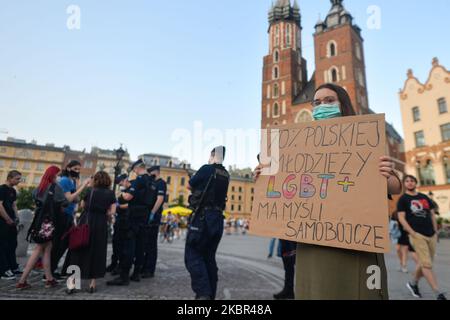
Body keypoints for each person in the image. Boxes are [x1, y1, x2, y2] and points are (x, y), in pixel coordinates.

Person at [254, 83, 402, 300]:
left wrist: (385, 174)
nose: (322, 106)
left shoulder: (362, 138)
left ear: (343, 104)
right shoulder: (299, 145)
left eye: (330, 101)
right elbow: (282, 184)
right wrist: (263, 177)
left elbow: (395, 186)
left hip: (353, 243)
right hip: (311, 242)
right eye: (317, 103)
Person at [185, 146, 230, 300]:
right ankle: (210, 293)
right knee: (209, 257)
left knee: (193, 254)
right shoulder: (226, 174)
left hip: (202, 218)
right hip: (217, 218)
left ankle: (203, 293)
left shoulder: (206, 169)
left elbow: (189, 185)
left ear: (212, 155)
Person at [16, 166, 68, 289]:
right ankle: (22, 281)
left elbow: (36, 201)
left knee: (47, 249)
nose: (59, 177)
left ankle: (49, 279)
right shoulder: (56, 188)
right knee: (39, 249)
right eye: (58, 175)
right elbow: (65, 203)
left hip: (39, 221)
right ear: (54, 176)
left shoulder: (39, 188)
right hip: (49, 223)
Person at [397, 175, 447, 300]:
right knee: (427, 264)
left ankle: (413, 284)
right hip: (417, 235)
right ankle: (437, 293)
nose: (409, 183)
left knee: (425, 262)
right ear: (404, 184)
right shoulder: (403, 199)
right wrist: (412, 232)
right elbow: (401, 218)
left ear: (415, 183)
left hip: (431, 234)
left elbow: (431, 214)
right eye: (407, 181)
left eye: (412, 181)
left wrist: (435, 231)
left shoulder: (424, 197)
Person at [107, 159, 155, 286]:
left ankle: (124, 276)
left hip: (134, 217)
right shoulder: (152, 182)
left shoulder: (139, 180)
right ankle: (136, 274)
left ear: (138, 168)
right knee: (140, 247)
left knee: (129, 247)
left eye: (134, 170)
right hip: (145, 217)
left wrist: (120, 197)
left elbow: (128, 197)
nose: (134, 172)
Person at [69, 171, 116, 293]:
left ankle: (73, 283)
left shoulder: (90, 191)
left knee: (79, 250)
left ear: (95, 180)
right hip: (100, 224)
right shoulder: (111, 193)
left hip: (86, 222)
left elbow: (82, 206)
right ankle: (92, 284)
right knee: (97, 251)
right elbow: (111, 212)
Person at [51, 160, 90, 279]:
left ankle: (53, 268)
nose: (77, 171)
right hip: (62, 215)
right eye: (75, 169)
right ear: (68, 168)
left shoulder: (71, 182)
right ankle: (50, 270)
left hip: (68, 215)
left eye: (79, 169)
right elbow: (69, 199)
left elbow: (76, 199)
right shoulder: (65, 180)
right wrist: (83, 186)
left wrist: (78, 187)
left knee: (64, 243)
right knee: (59, 243)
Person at [141, 165, 167, 279]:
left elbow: (160, 199)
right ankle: (144, 266)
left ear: (156, 172)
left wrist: (152, 212)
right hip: (147, 215)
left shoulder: (161, 183)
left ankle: (149, 269)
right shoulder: (151, 183)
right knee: (145, 243)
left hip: (154, 216)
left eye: (150, 172)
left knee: (151, 244)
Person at [0, 170, 22, 280]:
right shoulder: (2, 189)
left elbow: (14, 205)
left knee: (12, 244)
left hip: (12, 222)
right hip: (3, 222)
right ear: (9, 178)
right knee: (2, 245)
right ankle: (3, 270)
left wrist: (17, 217)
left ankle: (13, 266)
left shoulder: (13, 190)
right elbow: (0, 205)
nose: (19, 181)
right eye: (17, 179)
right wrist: (7, 218)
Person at [107, 174, 131, 275]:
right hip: (119, 219)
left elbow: (129, 205)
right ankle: (114, 263)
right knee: (116, 242)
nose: (120, 184)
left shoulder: (131, 190)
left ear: (125, 180)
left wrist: (118, 206)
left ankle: (120, 266)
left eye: (120, 182)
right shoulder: (123, 190)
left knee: (122, 244)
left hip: (126, 220)